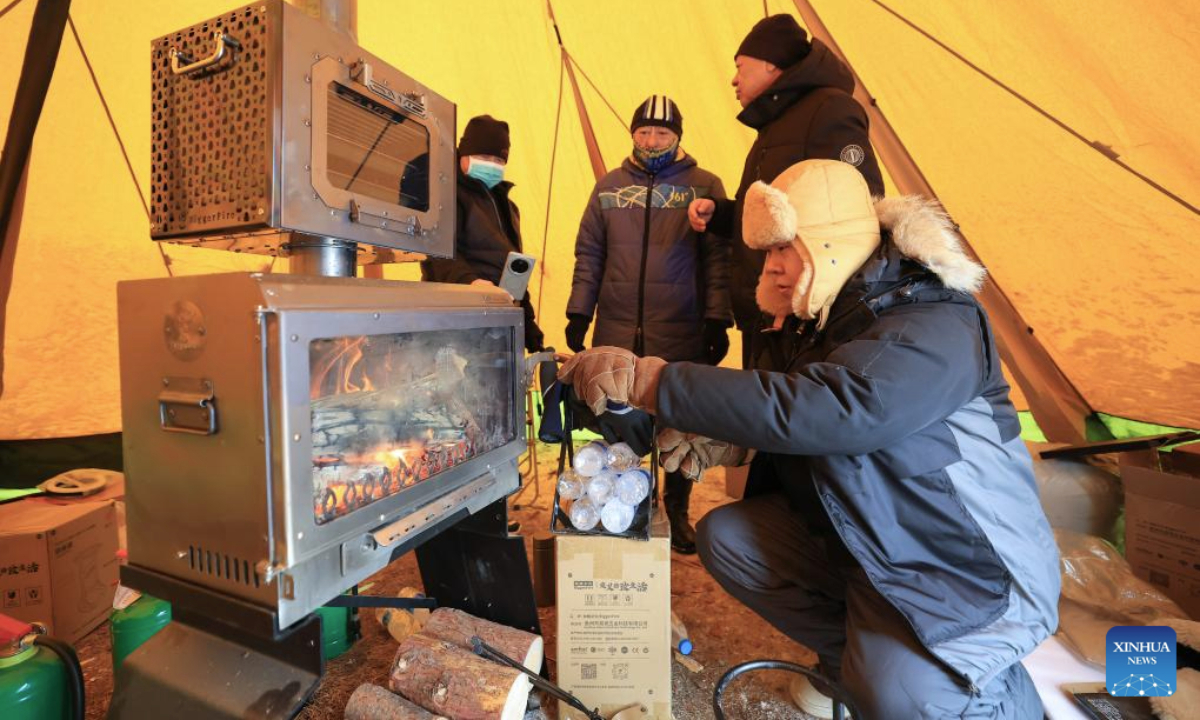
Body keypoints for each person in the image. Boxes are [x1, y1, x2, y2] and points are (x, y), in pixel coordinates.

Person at [558, 159, 1059, 718]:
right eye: (767, 254)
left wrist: (652, 380)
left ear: (830, 244)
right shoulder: (825, 322)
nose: (770, 269)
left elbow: (842, 410)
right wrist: (737, 443)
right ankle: (863, 659)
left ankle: (979, 692)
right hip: (881, 547)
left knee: (901, 694)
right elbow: (816, 425)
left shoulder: (936, 320)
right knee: (730, 537)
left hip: (965, 572)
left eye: (783, 250)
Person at [564, 95, 732, 554]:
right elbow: (590, 255)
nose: (652, 140)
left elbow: (719, 259)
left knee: (680, 425)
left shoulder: (704, 186)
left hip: (682, 326)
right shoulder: (609, 188)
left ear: (679, 136)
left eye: (662, 133)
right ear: (633, 133)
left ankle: (676, 510)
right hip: (617, 328)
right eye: (643, 132)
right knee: (620, 421)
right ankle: (628, 506)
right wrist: (579, 311)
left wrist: (719, 317)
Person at [687, 14, 884, 367]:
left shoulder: (829, 110)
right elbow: (786, 214)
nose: (733, 79)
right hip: (766, 311)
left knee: (789, 416)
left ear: (770, 64)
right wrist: (723, 215)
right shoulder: (775, 125)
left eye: (740, 67)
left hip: (801, 319)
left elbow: (856, 209)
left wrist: (813, 299)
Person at [421, 114, 545, 353]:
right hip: (459, 320)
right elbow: (437, 253)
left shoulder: (509, 207)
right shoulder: (446, 194)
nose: (491, 164)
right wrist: (471, 282)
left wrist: (529, 327)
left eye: (498, 159)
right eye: (483, 157)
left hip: (500, 319)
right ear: (463, 155)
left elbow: (516, 268)